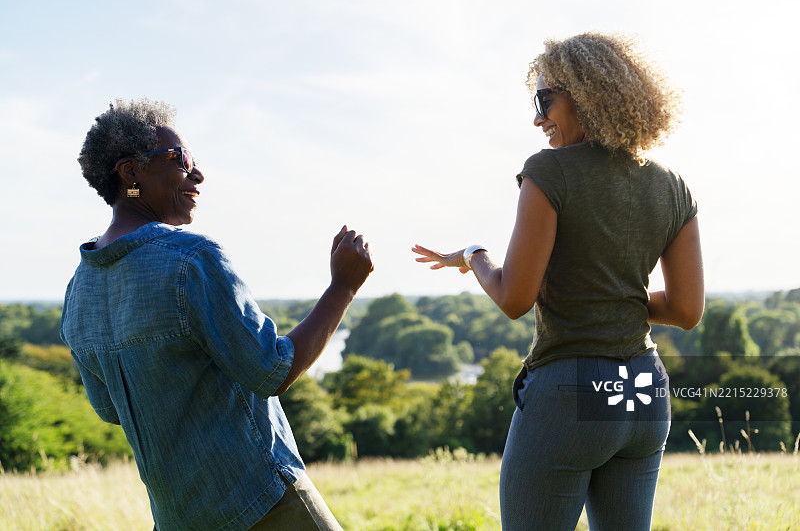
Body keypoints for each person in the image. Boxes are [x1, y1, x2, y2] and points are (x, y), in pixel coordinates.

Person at [413, 32, 704, 530]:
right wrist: (619, 299)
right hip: (644, 393)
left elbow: (513, 298)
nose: (536, 117)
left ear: (587, 94)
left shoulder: (549, 171)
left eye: (544, 100)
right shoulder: (671, 184)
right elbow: (685, 311)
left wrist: (473, 256)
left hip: (568, 396)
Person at [61, 98, 373, 531]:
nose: (198, 174)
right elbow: (272, 370)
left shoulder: (78, 290)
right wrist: (343, 287)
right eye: (181, 159)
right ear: (131, 172)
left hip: (177, 519)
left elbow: (111, 409)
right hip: (263, 502)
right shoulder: (190, 259)